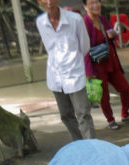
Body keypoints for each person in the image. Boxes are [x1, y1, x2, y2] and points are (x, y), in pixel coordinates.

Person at [36, 0, 96, 140]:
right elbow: (49, 48)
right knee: (66, 115)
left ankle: (93, 148)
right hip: (55, 77)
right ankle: (79, 145)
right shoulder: (40, 22)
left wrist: (72, 60)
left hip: (74, 74)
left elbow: (85, 46)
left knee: (83, 115)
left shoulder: (75, 20)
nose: (49, 2)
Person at [82, 0, 129, 130]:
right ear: (85, 6)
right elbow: (84, 49)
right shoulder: (85, 23)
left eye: (97, 2)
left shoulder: (102, 19)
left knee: (126, 88)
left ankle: (125, 114)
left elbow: (111, 34)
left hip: (111, 61)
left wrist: (113, 34)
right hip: (97, 66)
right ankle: (110, 120)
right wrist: (88, 72)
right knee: (104, 96)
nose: (95, 5)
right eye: (91, 3)